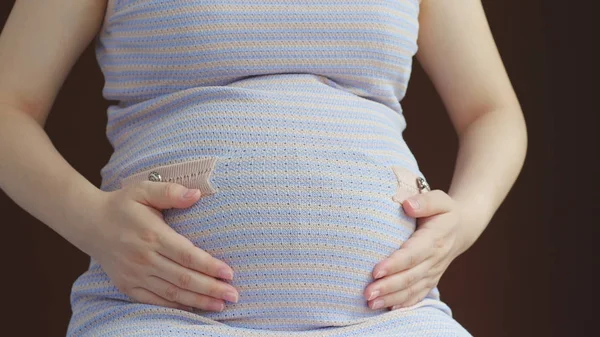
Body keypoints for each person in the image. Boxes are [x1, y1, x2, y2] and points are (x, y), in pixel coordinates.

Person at [0, 0, 527, 336]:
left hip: (394, 320)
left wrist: (464, 221)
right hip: (156, 317)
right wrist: (92, 222)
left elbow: (493, 112)